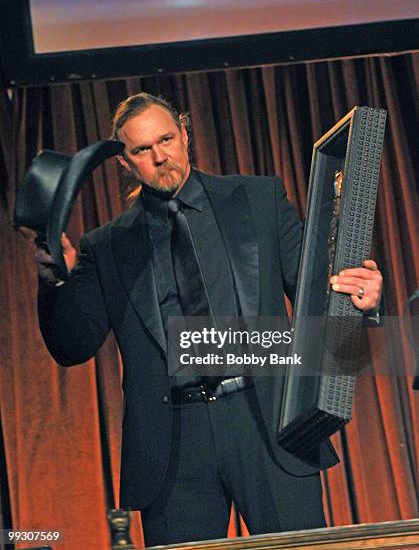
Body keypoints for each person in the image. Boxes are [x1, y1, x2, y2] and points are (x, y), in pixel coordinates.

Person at [36, 93, 383, 546]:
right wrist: (57, 282)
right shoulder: (107, 245)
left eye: (166, 139)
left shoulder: (258, 198)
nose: (160, 156)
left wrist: (364, 298)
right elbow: (72, 345)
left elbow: (317, 294)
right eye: (142, 150)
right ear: (124, 162)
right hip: (173, 440)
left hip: (267, 424)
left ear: (185, 133)